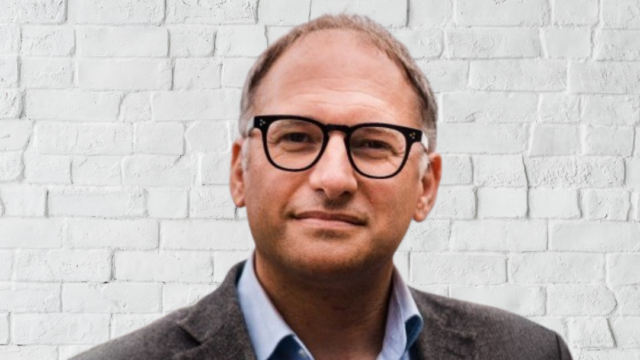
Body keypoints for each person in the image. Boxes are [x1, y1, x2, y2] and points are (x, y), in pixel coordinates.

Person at [73, 15, 572, 360]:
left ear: (426, 186)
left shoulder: (529, 352)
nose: (333, 179)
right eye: (295, 137)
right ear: (240, 173)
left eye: (374, 144)